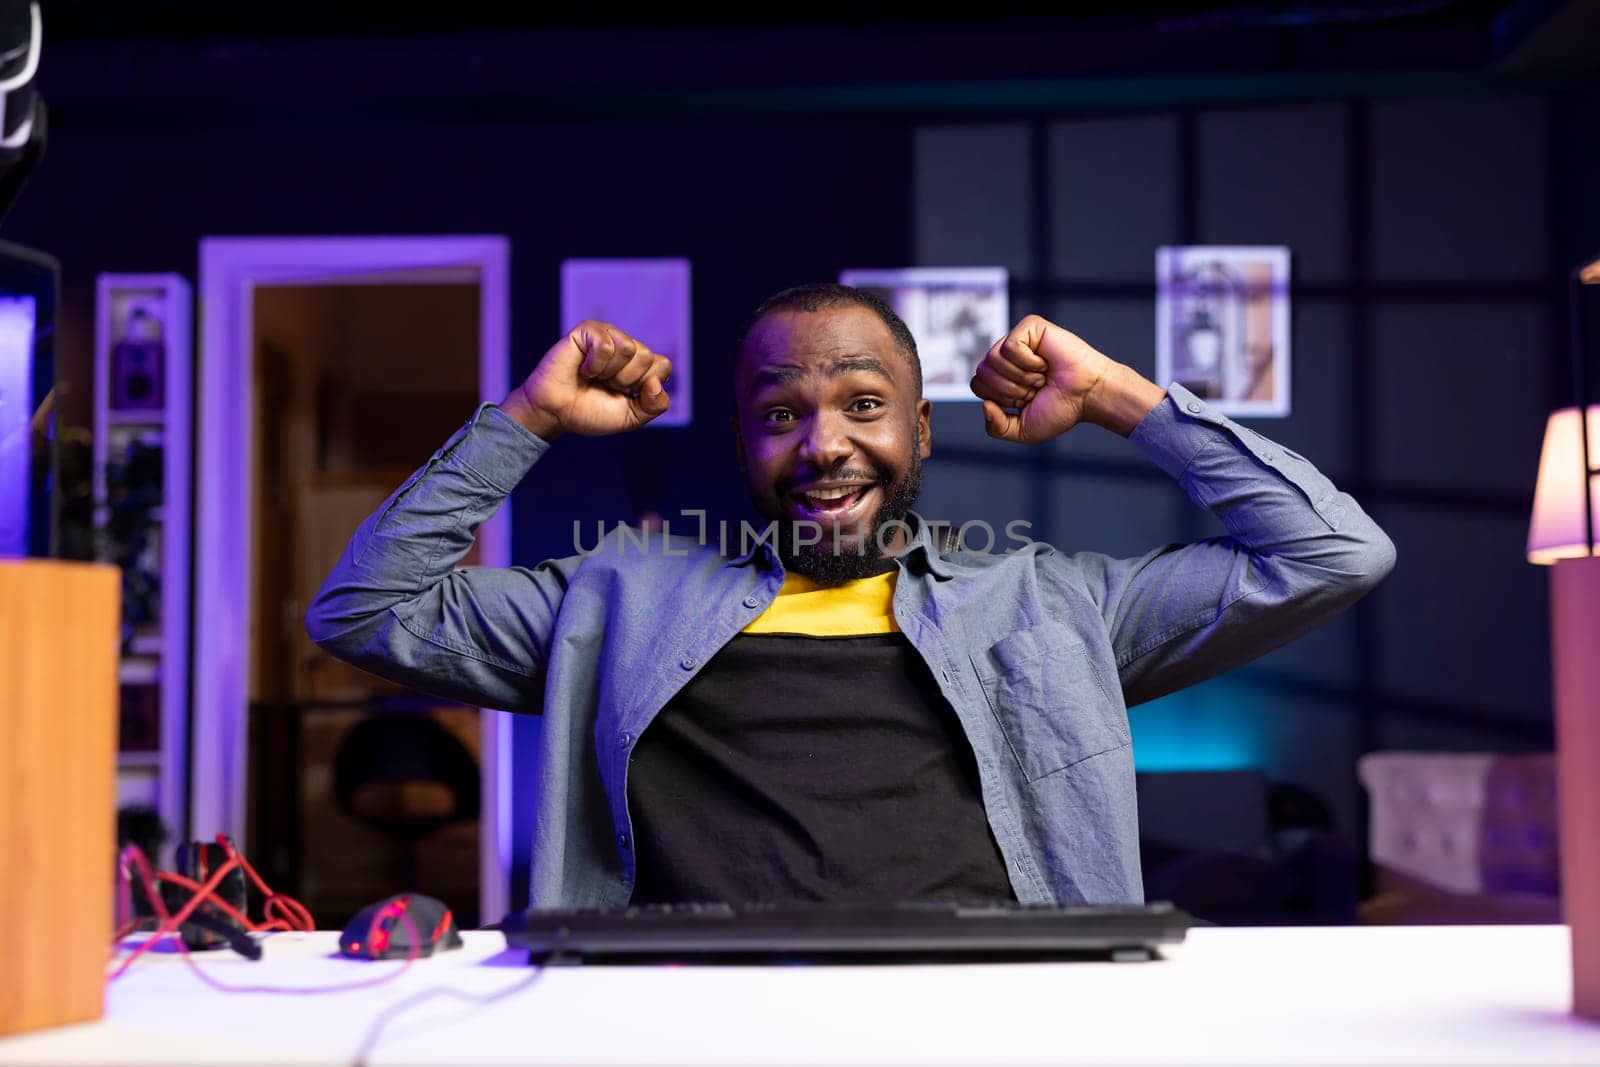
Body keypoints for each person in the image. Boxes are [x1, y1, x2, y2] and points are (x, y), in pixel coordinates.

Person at [306, 283, 1395, 909]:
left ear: (918, 434)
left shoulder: (1048, 605)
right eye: (781, 413)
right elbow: (360, 609)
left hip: (983, 1026)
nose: (824, 443)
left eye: (863, 404)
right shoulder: (614, 597)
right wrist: (526, 418)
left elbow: (1332, 552)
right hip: (691, 1025)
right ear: (742, 443)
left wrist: (1115, 395)